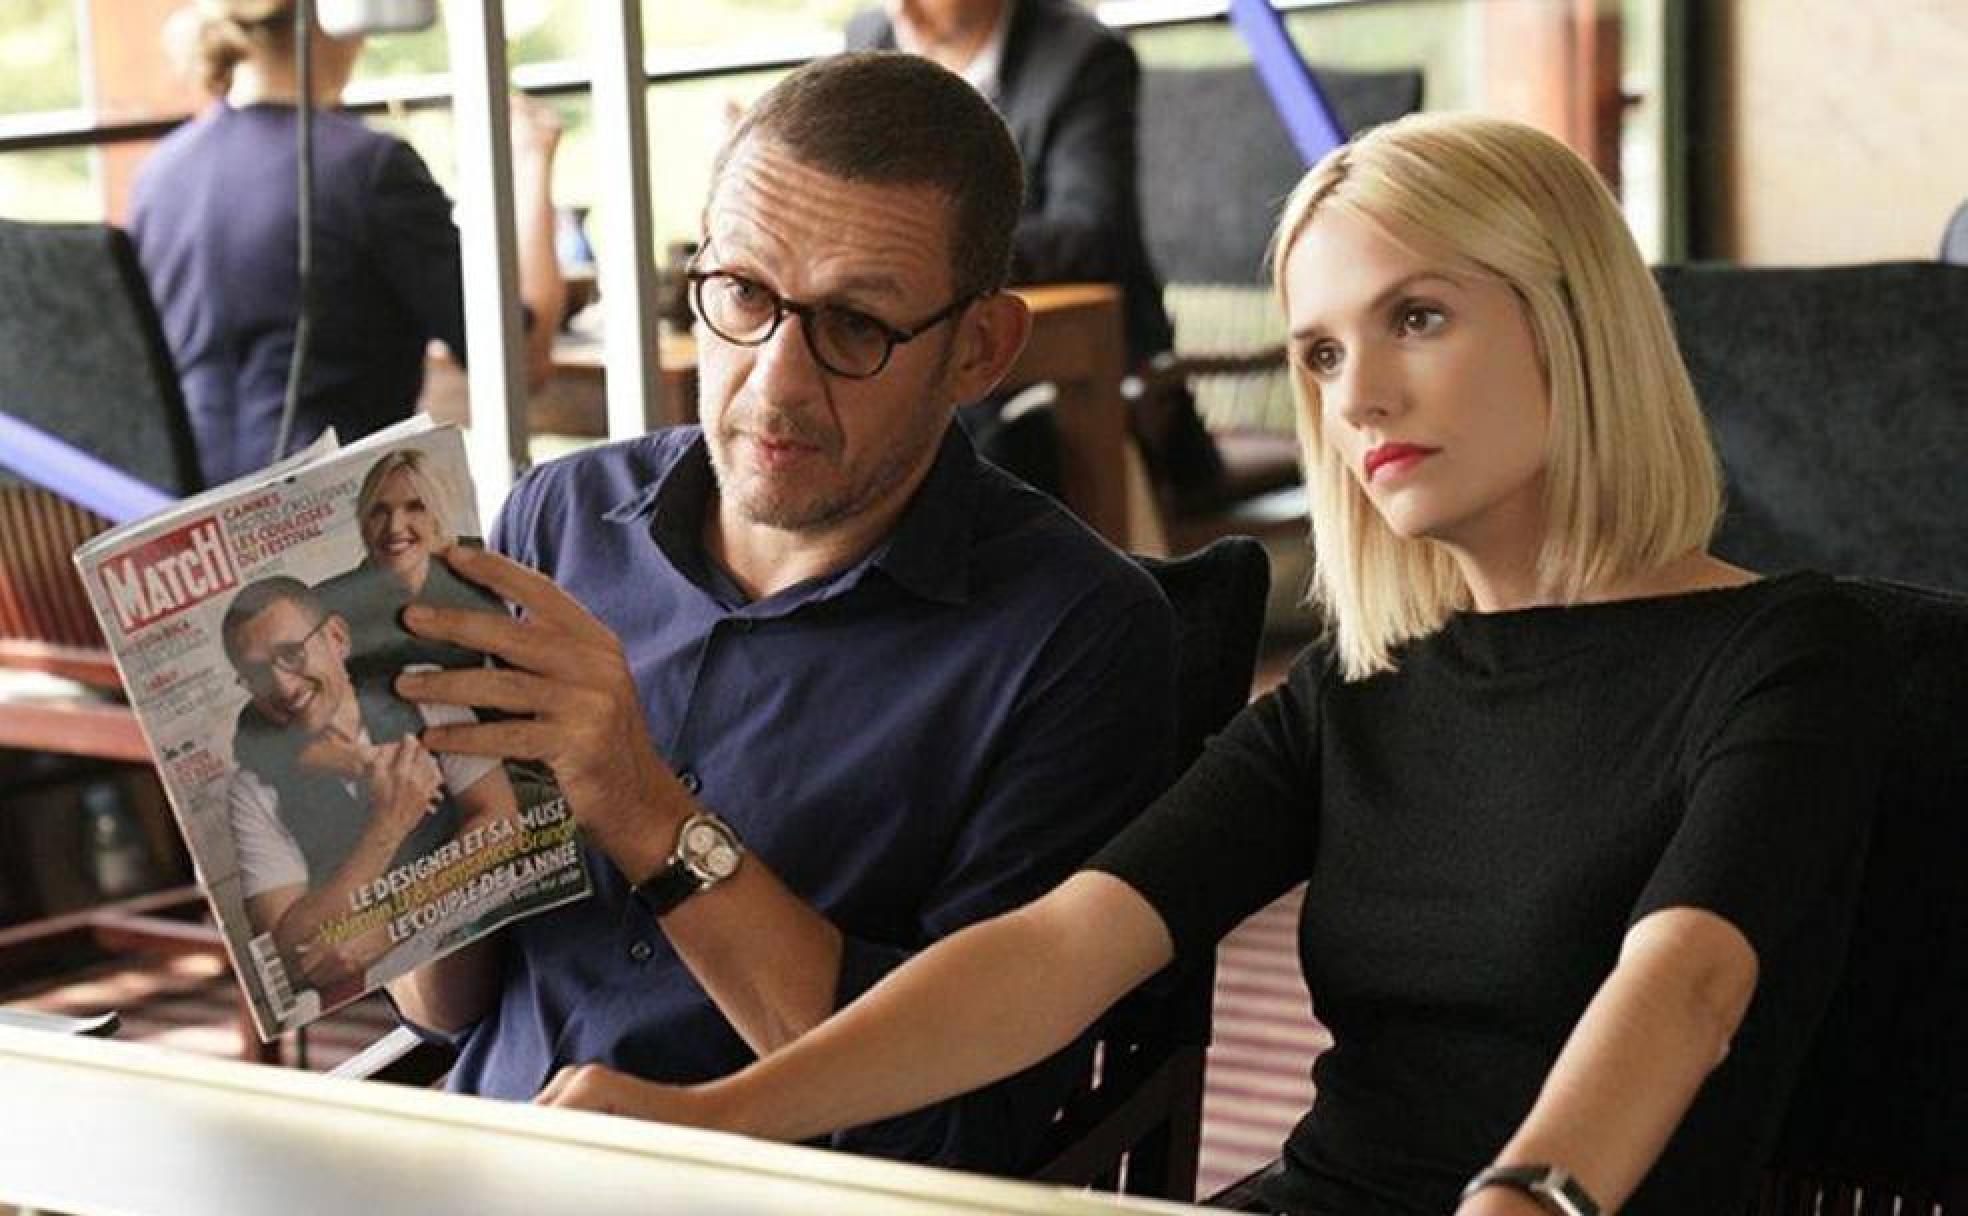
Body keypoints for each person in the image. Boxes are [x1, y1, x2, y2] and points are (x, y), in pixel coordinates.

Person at [520, 113, 1890, 1216]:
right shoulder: (1367, 681)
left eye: (1418, 317)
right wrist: (716, 1117)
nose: (1357, 395)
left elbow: (1687, 989)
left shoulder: (1788, 650)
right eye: (1322, 352)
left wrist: (1526, 1199)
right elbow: (1060, 950)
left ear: (1574, 319)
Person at [385, 52, 1177, 1175]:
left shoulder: (1080, 638)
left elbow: (952, 1133)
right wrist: (409, 830)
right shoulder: (560, 516)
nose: (776, 384)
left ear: (979, 350)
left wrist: (641, 804)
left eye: (855, 325)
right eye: (744, 296)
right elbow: (444, 1010)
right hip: (480, 1163)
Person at [130, 0, 565, 486]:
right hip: (331, 514)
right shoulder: (370, 168)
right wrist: (532, 162)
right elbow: (520, 362)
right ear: (334, 17)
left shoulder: (159, 174)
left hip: (188, 514)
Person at [846, 0, 1222, 500]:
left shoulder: (1082, 56)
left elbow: (1090, 235)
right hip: (934, 362)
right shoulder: (873, 40)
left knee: (969, 449)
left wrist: (932, 256)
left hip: (1096, 386)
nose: (901, 10)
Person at [222, 575, 521, 997]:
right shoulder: (255, 785)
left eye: (291, 654)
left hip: (490, 933)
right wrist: (387, 826)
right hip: (385, 990)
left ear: (337, 638)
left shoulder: (418, 692)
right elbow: (286, 952)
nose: (284, 687)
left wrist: (394, 922)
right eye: (257, 673)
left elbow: (500, 823)